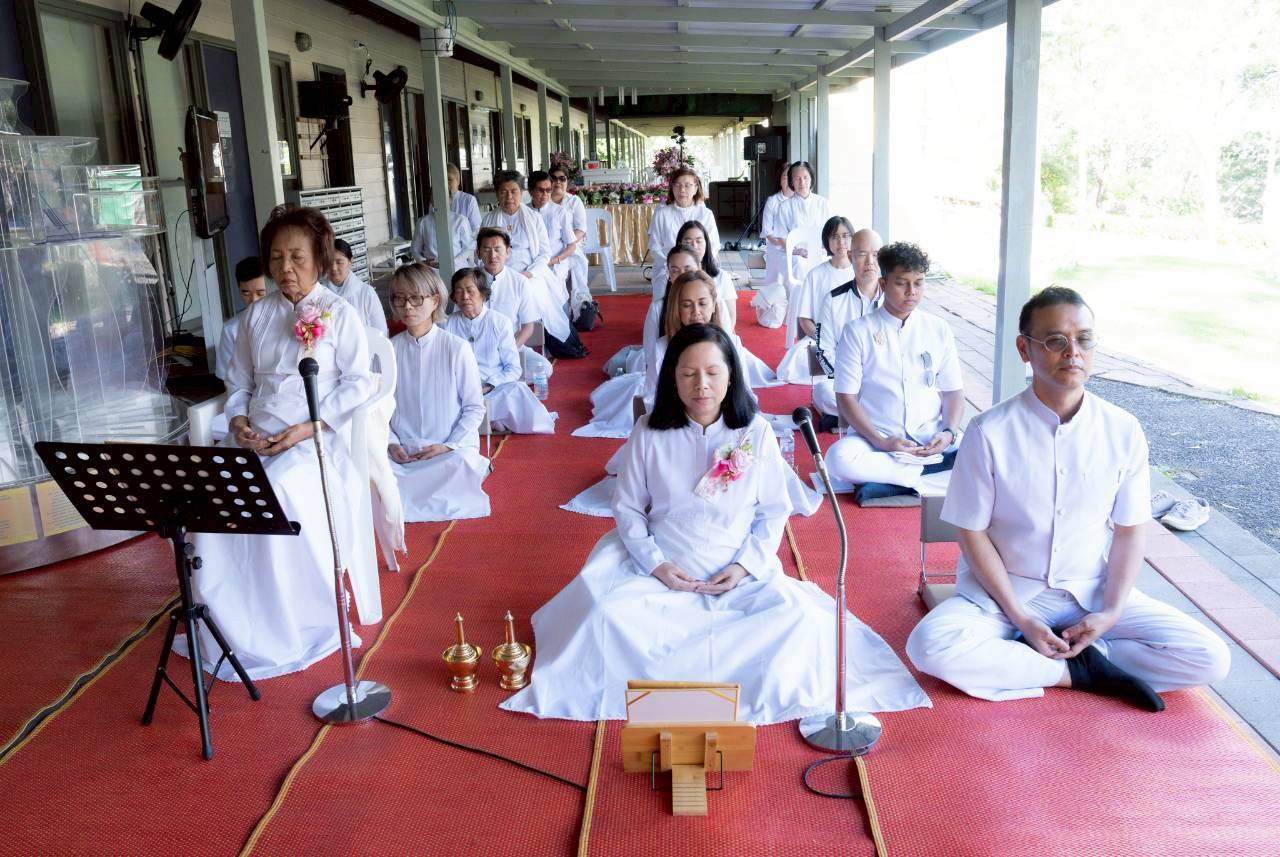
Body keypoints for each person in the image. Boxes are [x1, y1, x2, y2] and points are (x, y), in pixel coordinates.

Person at [504, 324, 929, 722]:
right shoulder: (648, 432)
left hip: (737, 567)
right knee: (605, 616)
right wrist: (657, 564)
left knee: (799, 623)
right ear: (673, 379)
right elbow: (629, 509)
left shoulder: (755, 432)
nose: (701, 385)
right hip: (657, 566)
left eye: (712, 372)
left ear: (731, 376)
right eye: (688, 374)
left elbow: (771, 512)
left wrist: (744, 566)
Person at [906, 287, 1229, 710]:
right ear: (1025, 348)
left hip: (1091, 592)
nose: (1072, 352)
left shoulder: (1123, 429)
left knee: (1209, 658)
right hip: (1009, 595)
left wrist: (1111, 613)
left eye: (1084, 339)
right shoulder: (990, 431)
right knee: (930, 646)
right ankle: (1070, 672)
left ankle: (1095, 660)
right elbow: (972, 533)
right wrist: (1021, 617)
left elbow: (1131, 531)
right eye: (1056, 340)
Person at [179, 206, 377, 681]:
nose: (285, 269)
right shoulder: (257, 317)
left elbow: (358, 382)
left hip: (312, 441)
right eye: (276, 257)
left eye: (297, 258)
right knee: (213, 497)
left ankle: (290, 624)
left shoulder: (339, 312)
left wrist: (308, 427)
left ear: (319, 258)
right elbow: (240, 383)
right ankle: (233, 625)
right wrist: (241, 420)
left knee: (282, 492)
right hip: (256, 437)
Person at [827, 242, 964, 505]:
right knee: (838, 459)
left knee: (981, 448)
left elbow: (953, 391)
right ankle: (927, 475)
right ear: (883, 284)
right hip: (876, 438)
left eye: (919, 283)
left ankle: (903, 478)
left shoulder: (938, 329)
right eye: (902, 283)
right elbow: (846, 398)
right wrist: (881, 442)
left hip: (930, 436)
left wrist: (948, 433)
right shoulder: (858, 331)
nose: (912, 292)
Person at [386, 263, 490, 521]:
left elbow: (474, 407)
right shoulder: (388, 349)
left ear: (435, 300)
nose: (407, 306)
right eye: (400, 298)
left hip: (446, 451)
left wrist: (448, 445)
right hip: (404, 453)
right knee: (370, 466)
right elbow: (378, 408)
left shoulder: (456, 348)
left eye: (415, 298)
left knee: (462, 462)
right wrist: (391, 442)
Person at [573, 248, 701, 439]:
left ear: (698, 269)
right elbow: (650, 353)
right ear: (668, 274)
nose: (682, 275)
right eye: (675, 270)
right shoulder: (659, 308)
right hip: (665, 375)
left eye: (688, 269)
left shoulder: (708, 305)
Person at [443, 267, 555, 434]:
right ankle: (492, 419)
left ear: (482, 293)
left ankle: (490, 417)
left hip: (493, 389)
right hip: (461, 392)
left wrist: (489, 385)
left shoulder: (500, 322)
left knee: (518, 390)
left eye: (470, 290)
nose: (465, 297)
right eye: (459, 291)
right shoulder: (447, 325)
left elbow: (513, 369)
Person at [480, 170, 573, 344]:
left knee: (531, 292)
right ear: (497, 194)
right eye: (503, 192)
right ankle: (494, 339)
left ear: (521, 192)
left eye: (513, 191)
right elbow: (482, 252)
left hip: (529, 273)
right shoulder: (489, 220)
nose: (509, 197)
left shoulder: (534, 218)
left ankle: (530, 338)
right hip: (496, 273)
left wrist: (526, 275)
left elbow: (544, 253)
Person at [775, 216, 859, 384]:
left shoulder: (859, 274)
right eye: (835, 237)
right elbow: (804, 320)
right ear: (826, 241)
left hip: (855, 341)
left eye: (845, 236)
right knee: (795, 363)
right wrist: (826, 340)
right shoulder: (815, 275)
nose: (841, 241)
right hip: (822, 340)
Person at [811, 228, 884, 419]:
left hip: (886, 384)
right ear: (851, 256)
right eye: (862, 254)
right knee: (823, 393)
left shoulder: (894, 299)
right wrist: (851, 382)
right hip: (847, 383)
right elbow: (823, 350)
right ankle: (872, 413)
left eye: (876, 255)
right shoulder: (833, 300)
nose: (870, 262)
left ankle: (864, 413)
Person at [643, 167, 720, 348]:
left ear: (696, 188)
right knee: (663, 293)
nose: (682, 190)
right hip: (669, 268)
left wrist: (696, 268)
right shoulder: (662, 213)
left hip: (699, 268)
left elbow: (713, 245)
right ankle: (665, 328)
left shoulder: (705, 214)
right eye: (677, 186)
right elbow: (654, 246)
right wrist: (674, 266)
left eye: (687, 185)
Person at [475, 226, 553, 383]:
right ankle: (501, 381)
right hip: (477, 350)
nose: (493, 255)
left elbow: (527, 327)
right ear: (478, 252)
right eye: (486, 249)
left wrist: (508, 352)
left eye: (498, 249)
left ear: (508, 252)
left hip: (511, 348)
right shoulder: (470, 280)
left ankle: (492, 383)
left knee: (544, 368)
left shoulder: (520, 282)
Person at [528, 170, 590, 315]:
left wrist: (554, 260)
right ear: (530, 191)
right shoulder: (525, 212)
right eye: (540, 190)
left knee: (555, 285)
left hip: (557, 260)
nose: (545, 195)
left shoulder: (559, 212)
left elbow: (572, 244)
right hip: (532, 262)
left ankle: (562, 321)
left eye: (548, 190)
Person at [675, 219, 737, 333]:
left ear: (706, 243)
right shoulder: (677, 277)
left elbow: (731, 317)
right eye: (688, 242)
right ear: (680, 244)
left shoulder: (722, 277)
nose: (694, 246)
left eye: (699, 241)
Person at [215, 257, 268, 380]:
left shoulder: (291, 320)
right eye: (246, 293)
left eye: (260, 293)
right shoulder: (231, 330)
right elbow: (226, 378)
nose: (254, 300)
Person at [325, 238, 388, 337]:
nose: (333, 268)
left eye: (339, 262)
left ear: (350, 261)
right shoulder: (320, 293)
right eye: (329, 262)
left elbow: (381, 333)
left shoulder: (366, 293)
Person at [775, 161, 830, 275]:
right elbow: (781, 237)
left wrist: (822, 250)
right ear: (791, 182)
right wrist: (797, 251)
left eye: (805, 178)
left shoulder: (823, 203)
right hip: (795, 255)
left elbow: (830, 232)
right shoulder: (784, 207)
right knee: (799, 264)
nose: (802, 183)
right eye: (797, 179)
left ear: (811, 179)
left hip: (820, 253)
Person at [548, 163, 590, 298]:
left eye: (562, 178)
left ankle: (578, 300)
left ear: (567, 181)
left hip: (572, 243)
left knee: (576, 263)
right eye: (554, 178)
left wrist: (568, 242)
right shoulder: (543, 201)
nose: (558, 182)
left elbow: (581, 228)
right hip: (549, 245)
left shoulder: (574, 201)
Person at [411, 191, 474, 272]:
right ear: (431, 201)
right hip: (432, 271)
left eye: (443, 197)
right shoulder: (423, 222)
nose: (439, 200)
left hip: (457, 269)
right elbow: (415, 249)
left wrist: (452, 262)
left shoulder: (461, 220)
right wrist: (424, 262)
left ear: (450, 199)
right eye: (434, 197)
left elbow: (469, 248)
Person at [760, 163, 794, 288]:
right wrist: (782, 243)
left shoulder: (799, 202)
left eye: (791, 178)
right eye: (785, 177)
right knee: (776, 283)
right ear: (780, 180)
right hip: (777, 246)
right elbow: (767, 231)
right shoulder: (773, 201)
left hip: (796, 248)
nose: (788, 181)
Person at [447, 163, 482, 236]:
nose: (446, 183)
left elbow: (476, 229)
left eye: (449, 179)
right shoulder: (436, 201)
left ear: (458, 181)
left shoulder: (469, 200)